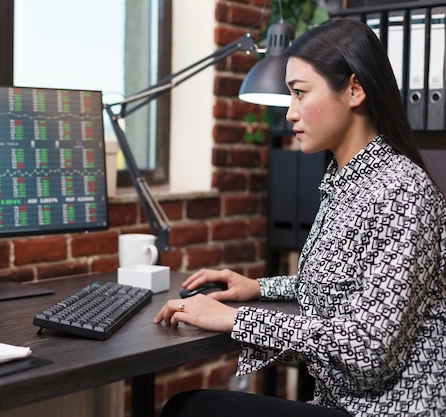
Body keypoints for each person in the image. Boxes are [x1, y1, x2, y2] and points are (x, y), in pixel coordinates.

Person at [154, 18, 446, 417]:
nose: (290, 113)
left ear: (355, 89)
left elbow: (370, 346)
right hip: (341, 402)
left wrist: (237, 321)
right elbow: (345, 286)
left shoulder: (401, 191)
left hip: (382, 410)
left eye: (299, 94)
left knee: (189, 410)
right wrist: (260, 287)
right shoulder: (345, 179)